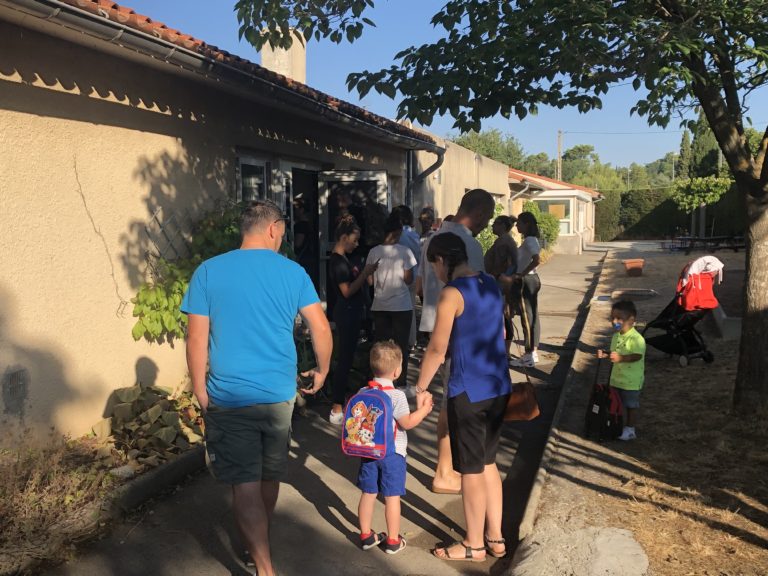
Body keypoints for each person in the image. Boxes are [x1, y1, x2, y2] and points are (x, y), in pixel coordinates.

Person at [182, 199, 333, 576]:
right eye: (283, 230)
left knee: (246, 483)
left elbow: (196, 338)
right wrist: (323, 370)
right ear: (272, 229)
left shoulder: (208, 271)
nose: (283, 236)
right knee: (269, 475)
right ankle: (261, 556)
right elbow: (320, 327)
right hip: (277, 395)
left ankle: (261, 559)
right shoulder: (293, 272)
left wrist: (200, 389)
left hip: (229, 395)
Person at [413, 233, 511, 562]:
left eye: (434, 267)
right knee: (488, 464)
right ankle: (496, 538)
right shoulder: (490, 283)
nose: (436, 274)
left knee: (470, 470)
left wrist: (421, 388)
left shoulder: (452, 293)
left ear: (442, 261)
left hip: (468, 390)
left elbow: (437, 349)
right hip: (498, 386)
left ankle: (473, 544)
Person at [416, 188, 495, 494]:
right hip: (462, 334)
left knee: (452, 400)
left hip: (436, 324)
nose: (486, 224)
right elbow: (479, 294)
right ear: (479, 213)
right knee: (456, 404)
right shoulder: (469, 245)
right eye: (487, 218)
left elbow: (420, 287)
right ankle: (445, 471)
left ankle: (447, 468)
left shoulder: (431, 239)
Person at [355, 341, 434, 554]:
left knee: (368, 493)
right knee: (392, 497)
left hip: (369, 451)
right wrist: (424, 410)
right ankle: (392, 540)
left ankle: (366, 536)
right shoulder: (397, 395)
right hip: (393, 454)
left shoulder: (363, 391)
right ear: (397, 371)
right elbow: (406, 423)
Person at [328, 215, 378, 425]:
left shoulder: (344, 260)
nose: (356, 244)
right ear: (344, 237)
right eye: (354, 240)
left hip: (352, 312)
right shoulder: (338, 262)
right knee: (345, 359)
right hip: (346, 313)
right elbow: (347, 291)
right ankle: (336, 406)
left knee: (349, 358)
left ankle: (342, 401)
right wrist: (364, 274)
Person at [366, 219, 417, 388]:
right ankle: (400, 383)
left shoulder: (373, 252)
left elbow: (369, 280)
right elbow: (409, 279)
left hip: (380, 305)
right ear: (397, 233)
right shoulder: (405, 251)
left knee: (380, 347)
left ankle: (378, 381)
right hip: (401, 305)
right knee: (401, 346)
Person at [597, 300, 646, 441]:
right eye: (612, 318)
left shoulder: (637, 339)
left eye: (619, 318)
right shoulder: (616, 336)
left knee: (630, 405)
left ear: (631, 319)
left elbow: (636, 356)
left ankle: (630, 429)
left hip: (631, 381)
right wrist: (606, 355)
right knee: (615, 403)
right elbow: (615, 354)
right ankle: (615, 424)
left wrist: (621, 358)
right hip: (616, 378)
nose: (614, 322)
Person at [505, 211, 542, 368]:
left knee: (527, 317)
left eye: (519, 223)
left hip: (526, 281)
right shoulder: (531, 239)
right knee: (533, 316)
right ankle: (533, 353)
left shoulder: (529, 240)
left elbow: (537, 259)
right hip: (531, 280)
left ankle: (528, 356)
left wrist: (522, 274)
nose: (517, 226)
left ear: (526, 224)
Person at [484, 215, 519, 356]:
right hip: (502, 284)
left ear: (503, 226)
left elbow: (504, 265)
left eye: (495, 224)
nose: (492, 226)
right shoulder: (504, 241)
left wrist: (497, 277)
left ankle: (504, 351)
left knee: (504, 317)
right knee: (504, 317)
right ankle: (504, 351)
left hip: (502, 285)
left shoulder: (503, 242)